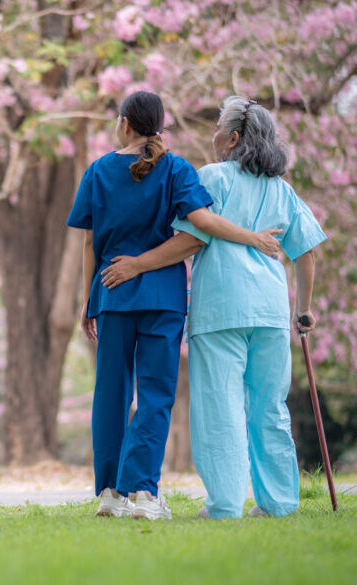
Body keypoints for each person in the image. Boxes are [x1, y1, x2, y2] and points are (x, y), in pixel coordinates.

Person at [66, 91, 282, 520]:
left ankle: (110, 493)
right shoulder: (177, 169)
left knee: (110, 392)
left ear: (125, 124)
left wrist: (89, 299)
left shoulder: (97, 171)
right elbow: (199, 229)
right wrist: (255, 238)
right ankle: (145, 494)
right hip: (163, 299)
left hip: (112, 293)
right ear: (158, 126)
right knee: (155, 395)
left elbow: (90, 243)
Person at [168, 96, 327, 518]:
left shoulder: (213, 177)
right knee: (269, 408)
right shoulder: (282, 190)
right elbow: (306, 253)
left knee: (219, 406)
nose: (214, 134)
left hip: (221, 308)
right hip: (270, 312)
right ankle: (278, 504)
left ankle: (224, 505)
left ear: (234, 137)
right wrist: (303, 309)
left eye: (218, 127)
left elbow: (191, 237)